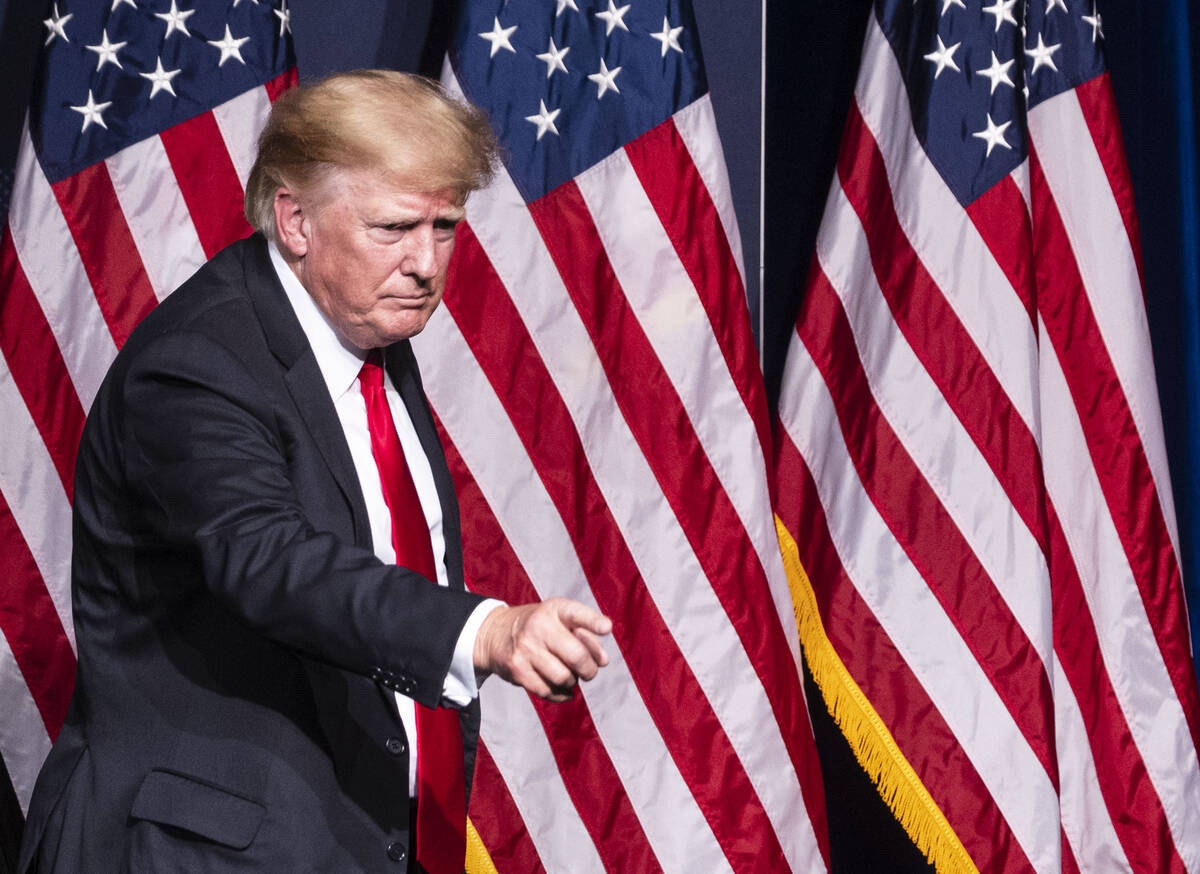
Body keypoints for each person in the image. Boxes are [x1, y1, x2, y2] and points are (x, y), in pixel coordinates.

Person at [18, 70, 612, 874]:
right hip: (196, 852)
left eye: (446, 226)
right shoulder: (199, 363)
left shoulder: (367, 332)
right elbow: (271, 561)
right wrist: (484, 630)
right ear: (294, 219)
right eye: (395, 226)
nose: (426, 262)